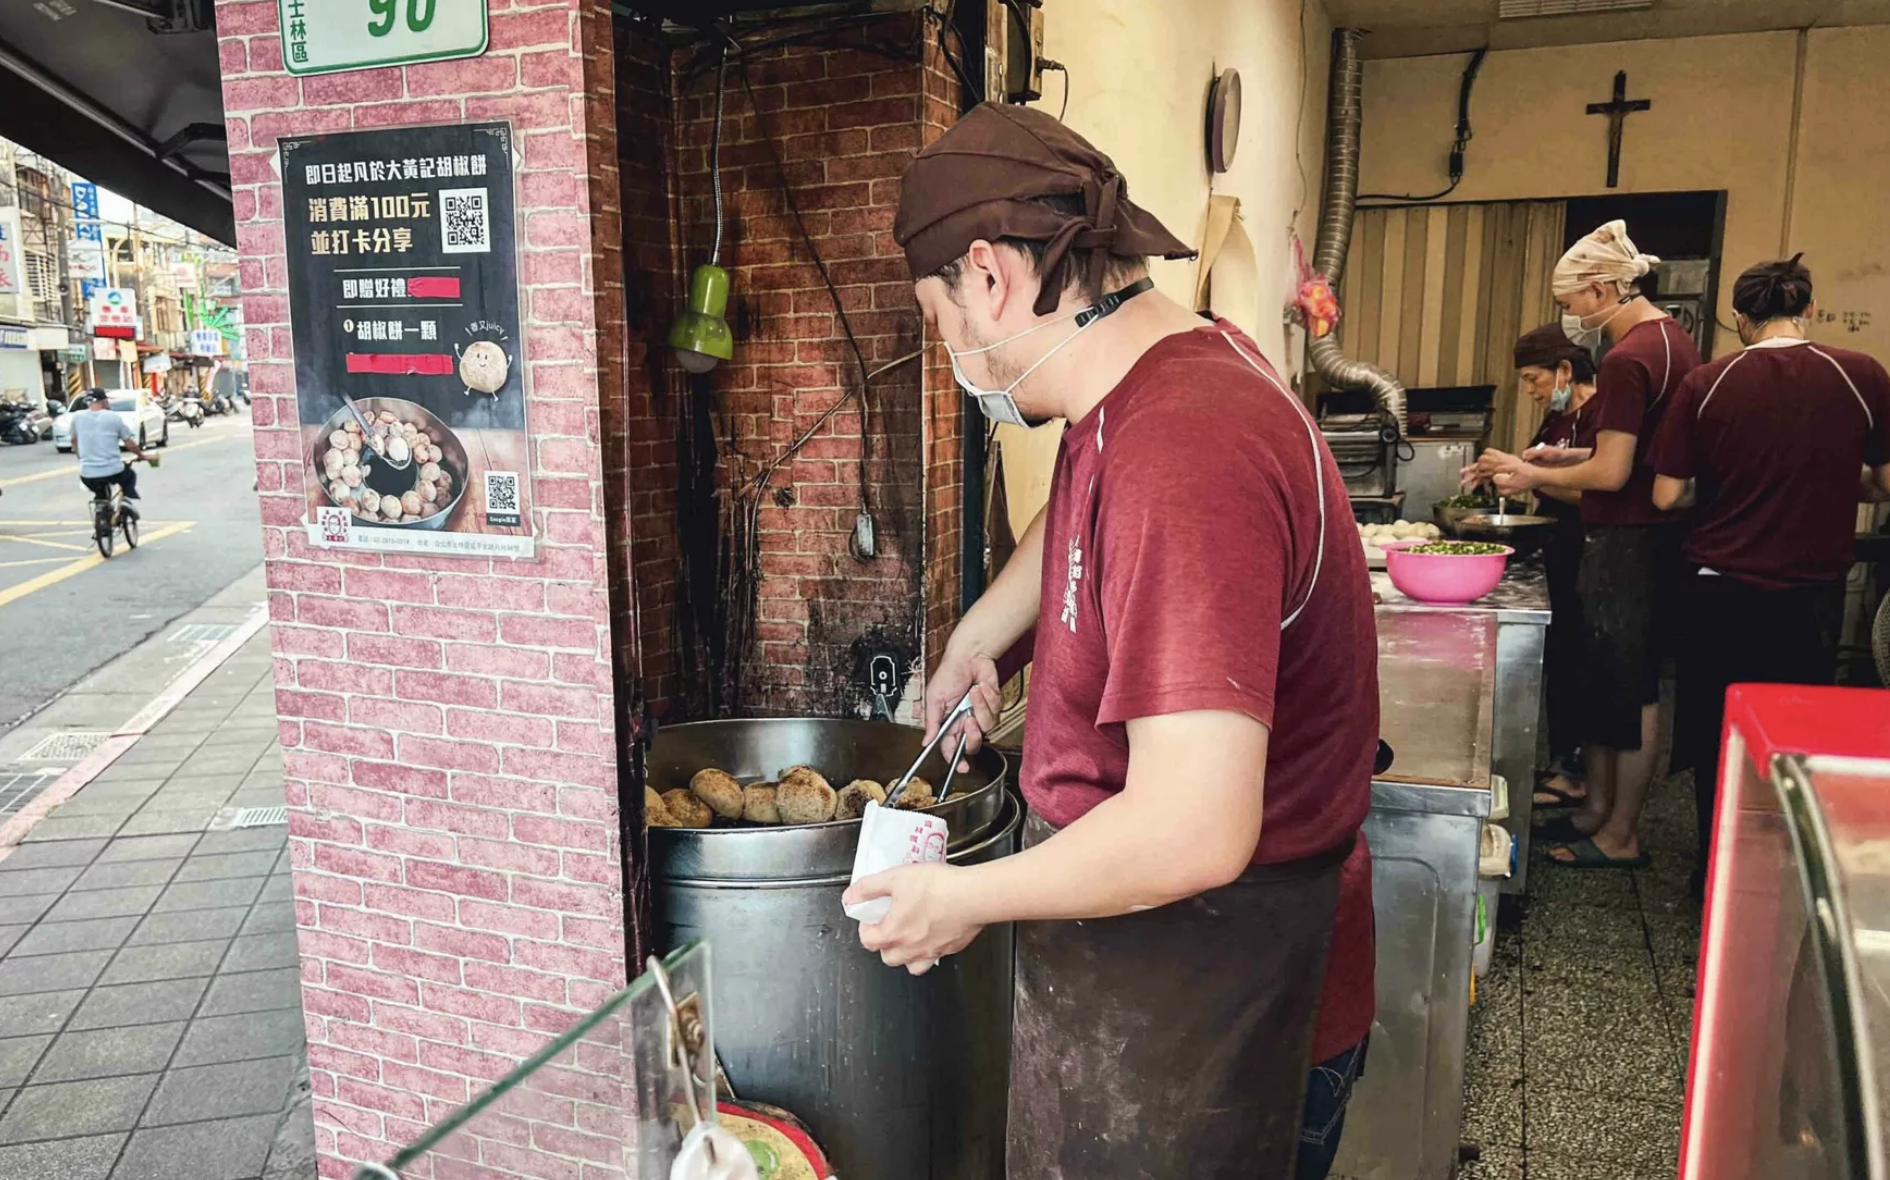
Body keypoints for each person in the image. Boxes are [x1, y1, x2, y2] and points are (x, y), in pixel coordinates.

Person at [845, 102, 1380, 1178]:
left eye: (936, 317)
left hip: (1213, 1001)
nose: (949, 347)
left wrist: (962, 899)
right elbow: (1078, 514)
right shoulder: (1148, 383)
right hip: (1147, 979)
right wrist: (976, 638)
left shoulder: (1189, 448)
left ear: (988, 277)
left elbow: (1193, 826)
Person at [1649, 255, 1890, 886]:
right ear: (1808, 308)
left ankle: (1718, 872)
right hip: (1811, 593)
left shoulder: (1709, 382)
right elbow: (1886, 483)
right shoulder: (1860, 373)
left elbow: (1667, 496)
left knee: (1719, 736)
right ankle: (1787, 876)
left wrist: (1730, 487)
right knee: (1798, 734)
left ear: (1738, 318)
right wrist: (1834, 482)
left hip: (1719, 590)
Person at [1472, 220, 1701, 868]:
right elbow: (1622, 451)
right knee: (1615, 683)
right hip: (1648, 539)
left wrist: (1534, 473)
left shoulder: (1630, 358)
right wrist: (1558, 451)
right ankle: (1597, 810)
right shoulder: (1673, 340)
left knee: (1630, 687)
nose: (1572, 320)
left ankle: (1619, 832)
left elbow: (1613, 473)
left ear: (1601, 289)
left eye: (1572, 306)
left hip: (1630, 541)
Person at [1509, 324, 1599, 811]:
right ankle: (1562, 761)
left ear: (1565, 370)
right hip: (1558, 550)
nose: (1531, 390)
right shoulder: (1557, 418)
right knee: (1561, 660)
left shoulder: (1602, 416)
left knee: (1581, 664)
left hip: (1591, 553)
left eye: (1531, 378)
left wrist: (1528, 475)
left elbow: (1599, 491)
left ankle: (1577, 771)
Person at [74, 388, 150, 516]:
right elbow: (129, 442)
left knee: (99, 490)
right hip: (112, 470)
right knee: (129, 475)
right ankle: (125, 500)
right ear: (104, 402)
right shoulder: (113, 417)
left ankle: (101, 509)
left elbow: (74, 441)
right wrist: (141, 455)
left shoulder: (77, 417)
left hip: (86, 474)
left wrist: (82, 458)